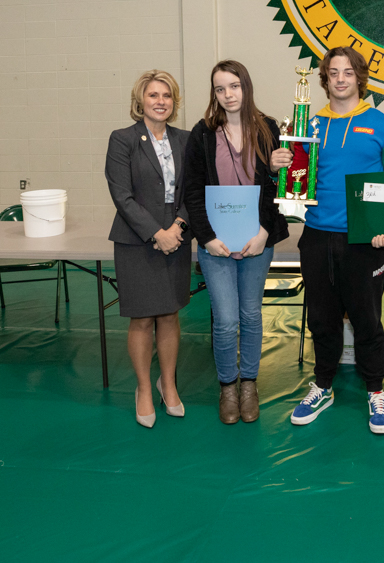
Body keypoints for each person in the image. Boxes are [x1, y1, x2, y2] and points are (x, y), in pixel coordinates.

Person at [289, 47, 384, 434]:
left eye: (348, 72)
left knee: (367, 319)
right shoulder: (307, 124)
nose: (341, 78)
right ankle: (323, 385)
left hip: (364, 239)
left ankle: (376, 389)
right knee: (321, 318)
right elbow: (296, 176)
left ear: (359, 77)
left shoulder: (382, 125)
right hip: (317, 235)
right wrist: (281, 163)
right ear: (324, 79)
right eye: (333, 72)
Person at [184, 60, 291, 425]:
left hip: (257, 239)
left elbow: (278, 188)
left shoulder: (270, 129)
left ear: (246, 87)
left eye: (234, 86)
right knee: (226, 320)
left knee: (250, 315)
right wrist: (207, 238)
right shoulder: (201, 134)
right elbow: (192, 193)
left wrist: (263, 231)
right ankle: (228, 386)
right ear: (213, 93)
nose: (228, 95)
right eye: (219, 88)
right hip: (216, 244)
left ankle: (249, 384)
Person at [105, 70, 191, 428]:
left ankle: (167, 383)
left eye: (167, 95)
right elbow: (121, 195)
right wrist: (157, 232)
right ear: (140, 101)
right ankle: (143, 388)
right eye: (153, 95)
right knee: (142, 318)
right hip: (137, 241)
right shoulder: (123, 139)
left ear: (174, 102)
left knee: (170, 315)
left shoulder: (186, 139)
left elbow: (195, 191)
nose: (160, 101)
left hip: (178, 237)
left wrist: (178, 227)